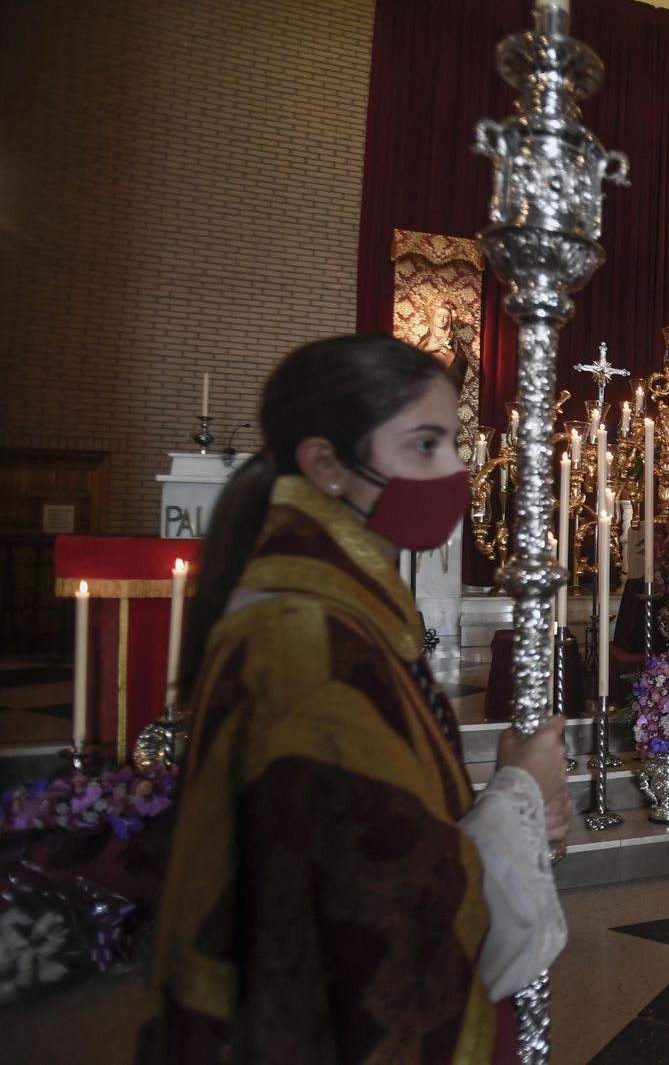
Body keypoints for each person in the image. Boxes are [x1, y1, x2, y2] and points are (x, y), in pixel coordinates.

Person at [141, 335, 572, 1062]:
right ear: (327, 465)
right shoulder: (305, 642)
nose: (458, 472)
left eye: (455, 444)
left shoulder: (333, 604)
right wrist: (520, 797)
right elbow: (390, 923)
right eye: (427, 444)